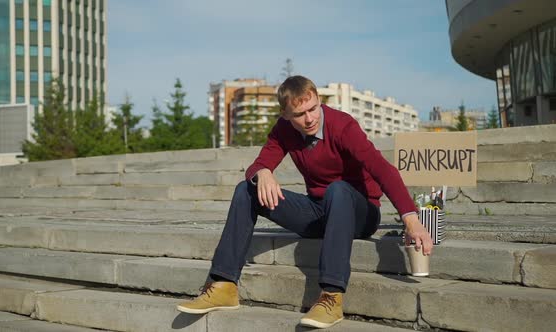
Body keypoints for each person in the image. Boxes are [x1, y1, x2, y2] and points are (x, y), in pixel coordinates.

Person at [177, 75, 433, 329]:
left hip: (360, 212)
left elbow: (382, 169)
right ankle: (224, 285)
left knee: (338, 190)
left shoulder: (342, 125)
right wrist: (263, 172)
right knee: (247, 189)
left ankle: (331, 296)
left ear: (319, 100)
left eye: (313, 109)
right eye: (300, 114)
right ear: (286, 114)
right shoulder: (284, 129)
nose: (310, 118)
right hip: (320, 211)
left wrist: (411, 220)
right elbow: (258, 164)